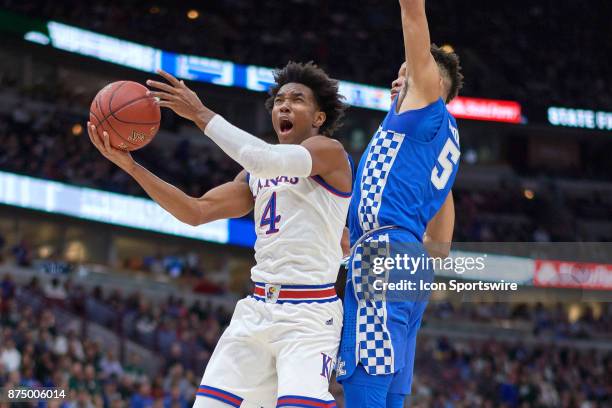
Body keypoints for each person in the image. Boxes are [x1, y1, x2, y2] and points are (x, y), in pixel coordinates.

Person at [87, 61, 352, 407]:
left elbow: (266, 158)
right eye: (280, 100)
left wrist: (199, 113)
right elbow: (195, 211)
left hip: (308, 315)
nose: (284, 105)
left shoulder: (330, 153)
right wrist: (132, 167)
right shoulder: (256, 173)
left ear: (318, 118)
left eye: (298, 99)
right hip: (256, 310)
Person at [336, 0, 464, 406]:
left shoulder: (426, 105)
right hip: (413, 264)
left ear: (431, 82)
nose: (398, 80)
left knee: (363, 375)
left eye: (406, 71)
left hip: (383, 250)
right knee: (391, 391)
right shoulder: (442, 144)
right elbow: (440, 247)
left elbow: (412, 12)